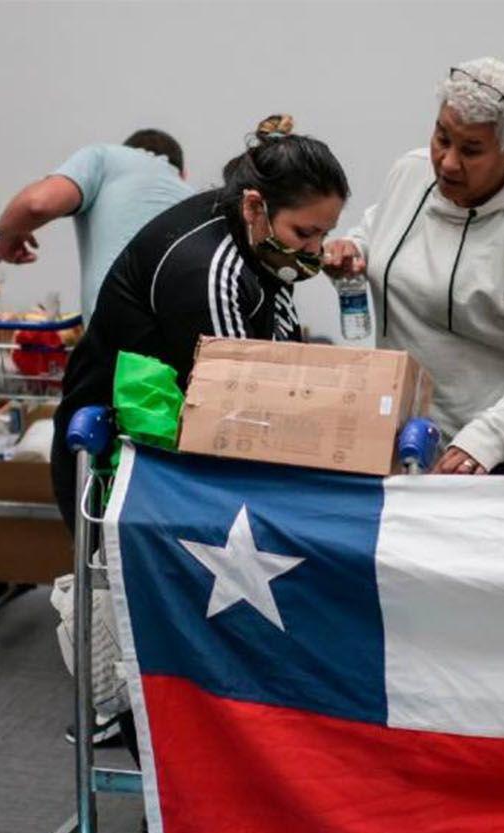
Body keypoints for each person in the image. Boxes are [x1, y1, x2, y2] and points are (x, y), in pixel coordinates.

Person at [52, 115, 348, 527]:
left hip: (175, 468)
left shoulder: (257, 240)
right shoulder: (209, 270)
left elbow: (280, 353)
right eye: (304, 233)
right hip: (122, 471)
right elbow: (240, 410)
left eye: (323, 235)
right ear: (254, 206)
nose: (315, 250)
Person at [323, 57, 504, 476]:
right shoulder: (411, 173)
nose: (447, 162)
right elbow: (377, 229)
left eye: (471, 150)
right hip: (401, 434)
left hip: (491, 455)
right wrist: (352, 250)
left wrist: (488, 440)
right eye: (441, 138)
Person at [0, 128, 195, 322]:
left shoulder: (106, 158)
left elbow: (37, 204)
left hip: (120, 332)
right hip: (188, 333)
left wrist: (2, 234)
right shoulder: (195, 198)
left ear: (127, 152)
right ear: (183, 174)